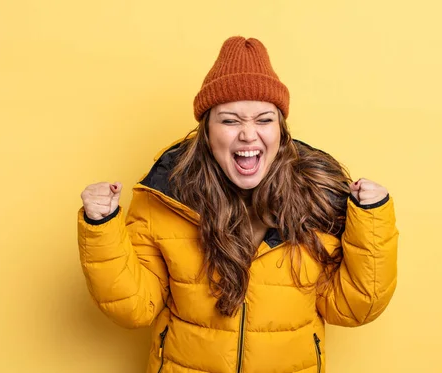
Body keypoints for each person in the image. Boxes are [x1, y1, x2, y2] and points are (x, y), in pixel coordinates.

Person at [77, 36, 399, 373]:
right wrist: (102, 227)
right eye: (230, 121)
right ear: (207, 131)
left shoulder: (319, 195)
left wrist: (372, 221)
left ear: (280, 130)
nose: (248, 134)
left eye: (263, 120)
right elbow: (134, 307)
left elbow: (355, 307)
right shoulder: (164, 197)